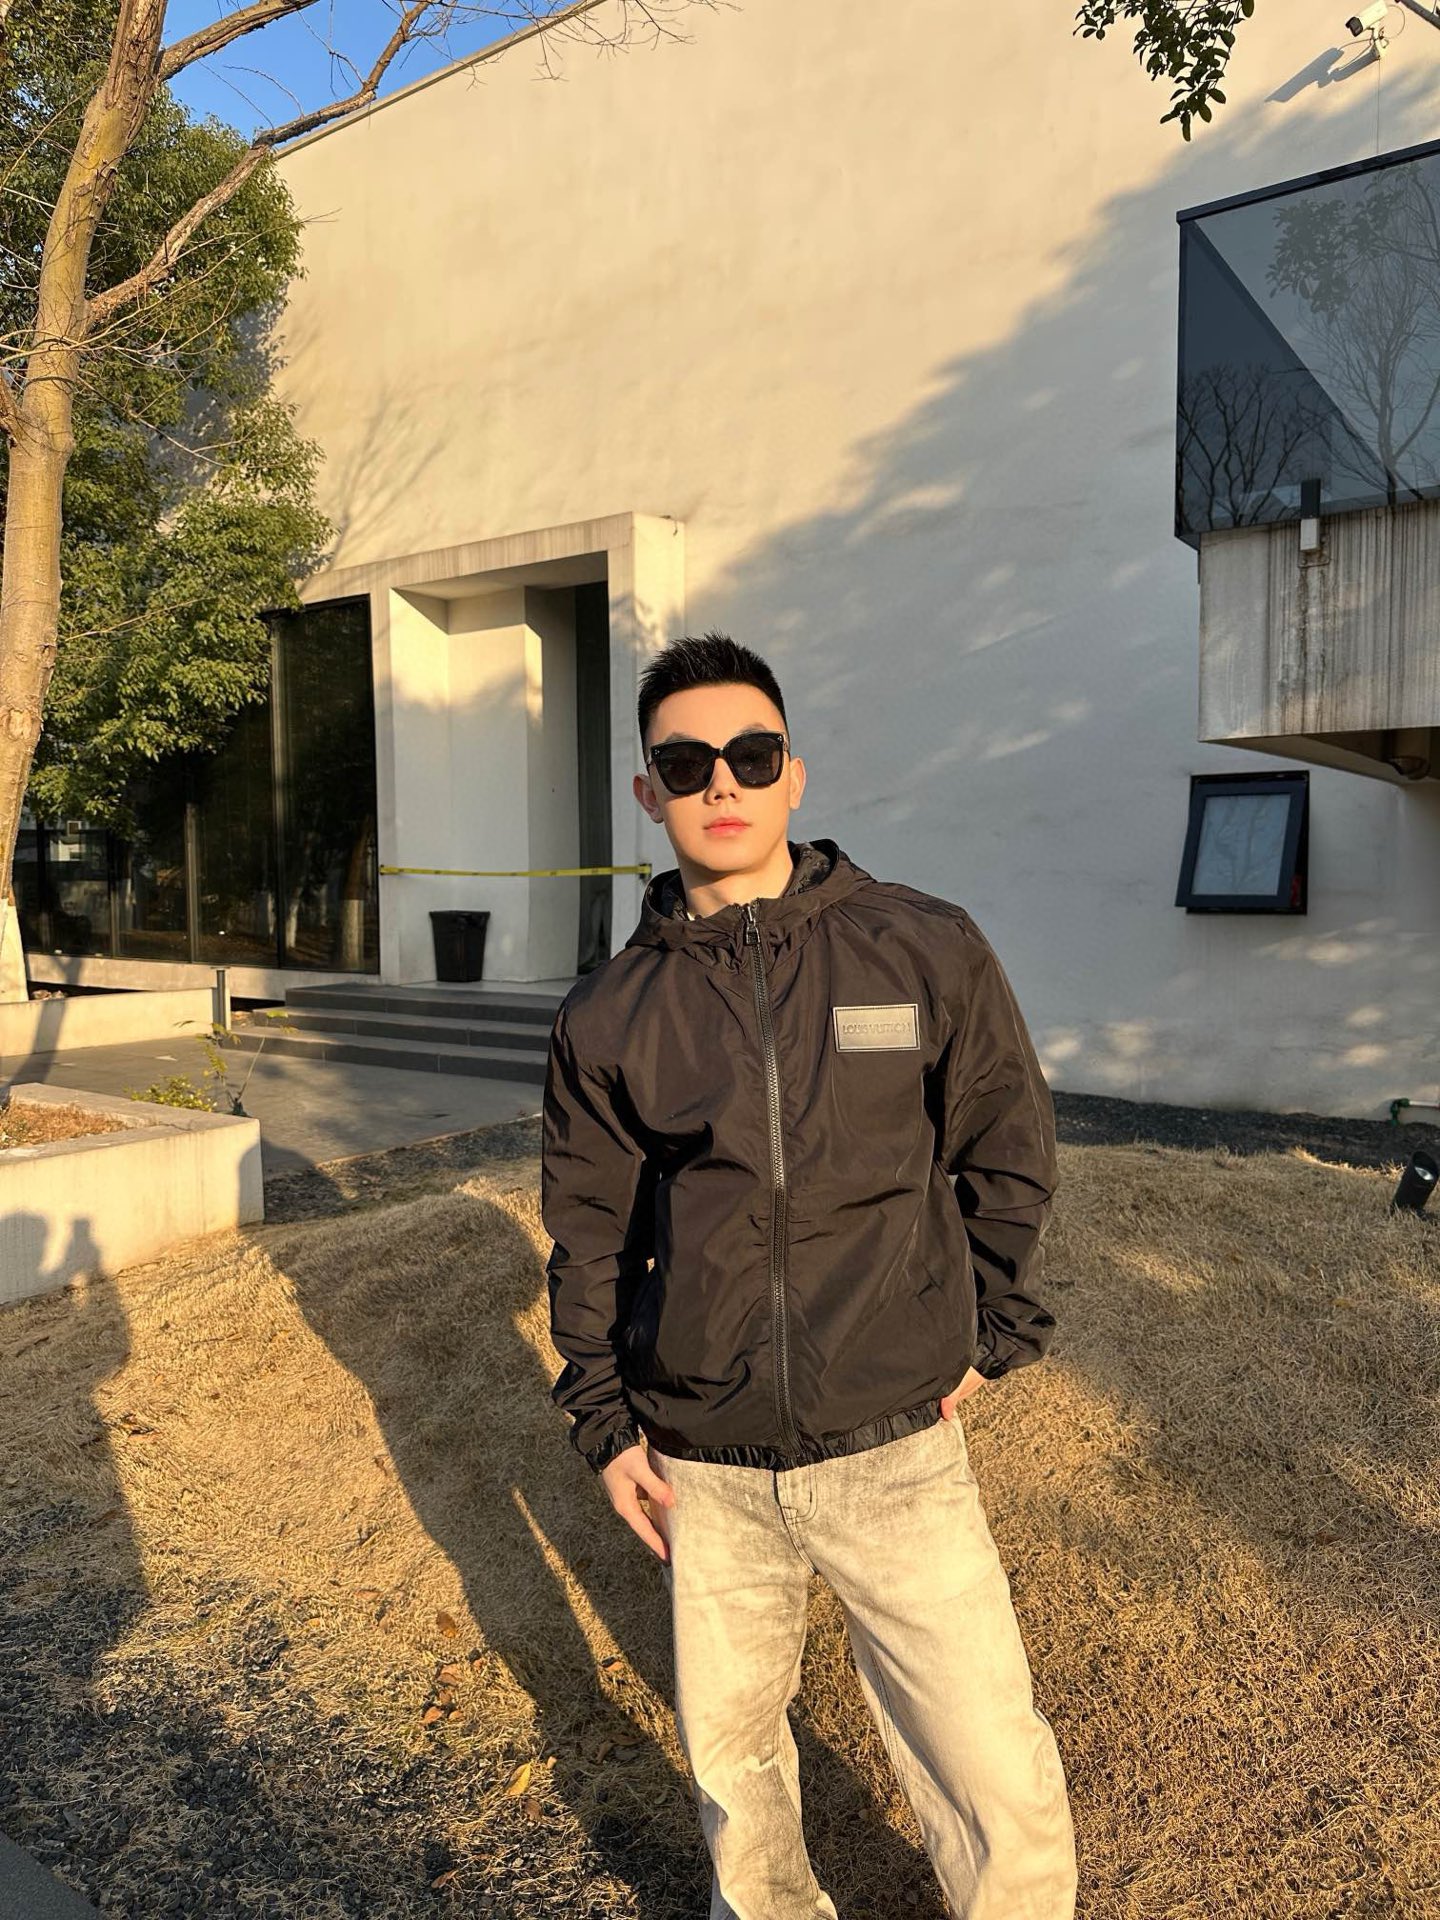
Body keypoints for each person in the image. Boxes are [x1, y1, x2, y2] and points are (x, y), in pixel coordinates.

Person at [541, 631, 1078, 1919]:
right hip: (706, 1466)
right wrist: (605, 1422)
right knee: (739, 1787)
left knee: (993, 1773)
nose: (721, 781)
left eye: (751, 752)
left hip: (895, 1446)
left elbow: (1006, 1145)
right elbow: (592, 1230)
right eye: (685, 763)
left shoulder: (920, 947)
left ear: (795, 775)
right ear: (649, 793)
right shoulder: (610, 1012)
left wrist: (990, 1334)